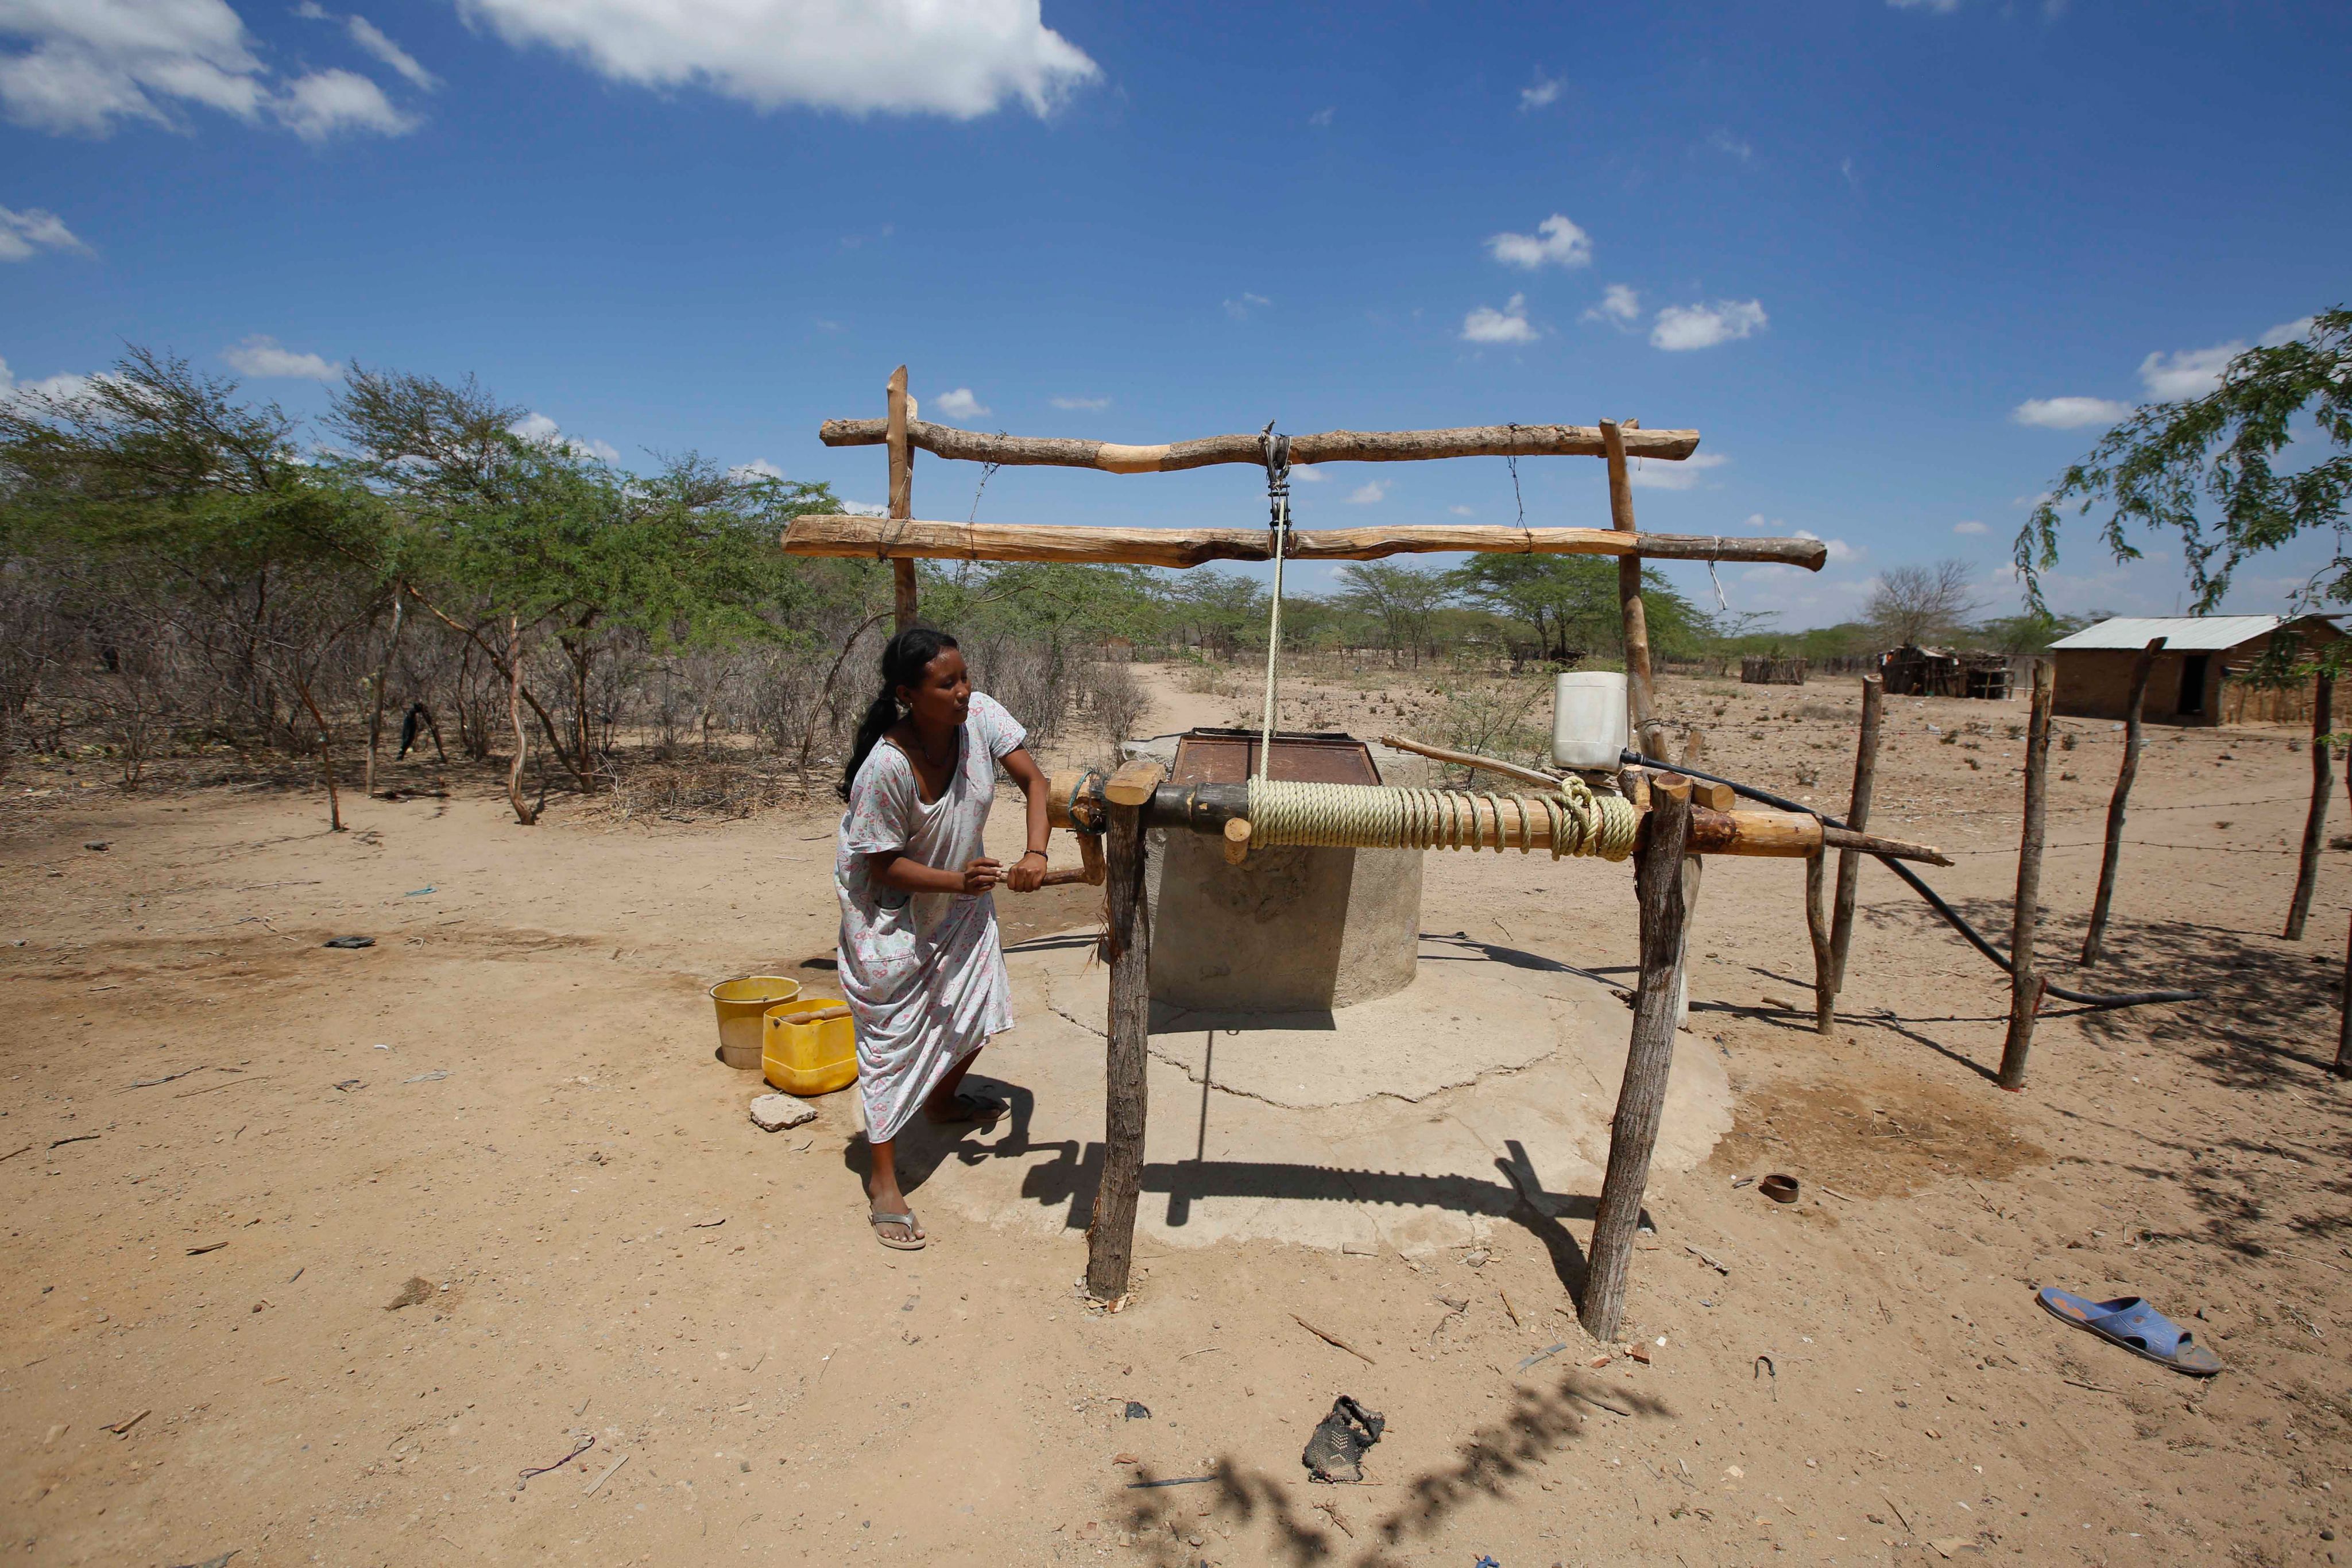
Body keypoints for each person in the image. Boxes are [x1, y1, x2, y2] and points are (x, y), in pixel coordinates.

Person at [834, 626, 1052, 1250]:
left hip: (960, 895)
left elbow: (1034, 782)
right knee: (889, 1040)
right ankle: (882, 1179)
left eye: (965, 677)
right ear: (908, 693)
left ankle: (941, 1098)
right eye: (947, 683)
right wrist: (957, 879)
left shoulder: (981, 718)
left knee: (977, 1003)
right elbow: (882, 866)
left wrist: (1036, 851)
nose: (964, 691)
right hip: (890, 912)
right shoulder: (885, 767)